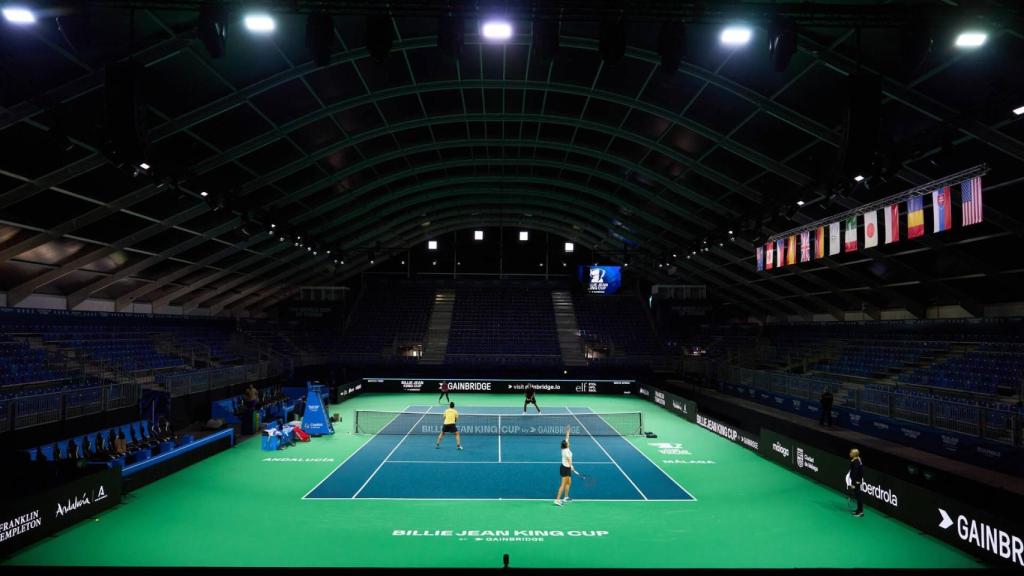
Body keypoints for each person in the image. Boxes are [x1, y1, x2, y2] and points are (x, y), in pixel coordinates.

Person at [554, 426, 575, 506]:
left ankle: (566, 497)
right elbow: (569, 461)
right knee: (563, 484)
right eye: (568, 443)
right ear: (566, 445)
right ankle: (557, 500)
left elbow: (567, 437)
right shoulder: (566, 452)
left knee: (569, 482)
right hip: (565, 468)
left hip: (567, 467)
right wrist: (572, 467)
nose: (568, 442)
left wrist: (568, 431)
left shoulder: (565, 447)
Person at [848, 448, 864, 517]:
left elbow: (855, 473)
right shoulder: (857, 460)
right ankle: (858, 510)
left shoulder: (856, 462)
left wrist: (853, 483)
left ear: (854, 454)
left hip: (856, 482)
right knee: (858, 496)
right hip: (857, 481)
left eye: (851, 452)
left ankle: (860, 512)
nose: (850, 453)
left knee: (859, 497)